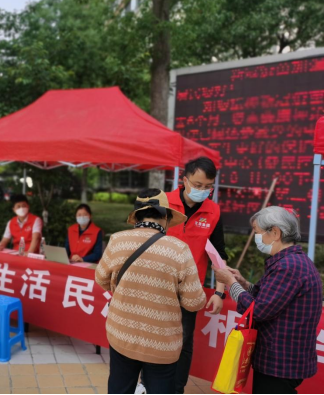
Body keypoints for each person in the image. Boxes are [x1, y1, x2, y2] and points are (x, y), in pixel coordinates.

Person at [96, 189, 207, 394]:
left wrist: (125, 289)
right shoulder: (179, 249)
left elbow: (101, 278)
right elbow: (194, 302)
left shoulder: (117, 241)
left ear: (137, 217)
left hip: (122, 333)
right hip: (162, 344)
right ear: (166, 217)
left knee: (119, 388)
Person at [214, 207, 322, 395]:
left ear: (275, 233)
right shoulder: (291, 261)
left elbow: (258, 311)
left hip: (281, 361)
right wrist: (243, 283)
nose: (256, 237)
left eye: (257, 232)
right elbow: (267, 297)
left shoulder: (288, 266)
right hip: (284, 358)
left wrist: (231, 283)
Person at [166, 157, 229, 394]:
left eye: (208, 186)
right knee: (151, 336)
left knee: (183, 341)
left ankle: (176, 389)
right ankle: (147, 383)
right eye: (198, 185)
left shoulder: (213, 211)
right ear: (184, 180)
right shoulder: (163, 202)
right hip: (158, 285)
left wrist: (220, 293)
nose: (203, 190)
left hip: (190, 290)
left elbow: (218, 256)